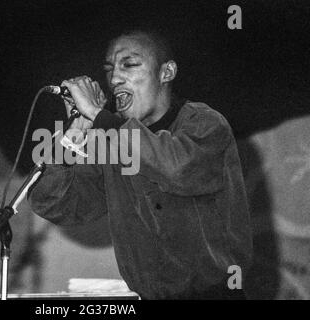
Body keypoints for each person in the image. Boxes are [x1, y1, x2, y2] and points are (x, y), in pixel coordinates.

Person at [28, 29, 253, 299]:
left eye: (130, 65)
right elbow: (57, 205)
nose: (114, 78)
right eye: (110, 69)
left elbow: (176, 168)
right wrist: (75, 132)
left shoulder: (205, 123)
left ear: (166, 72)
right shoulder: (110, 141)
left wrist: (100, 116)